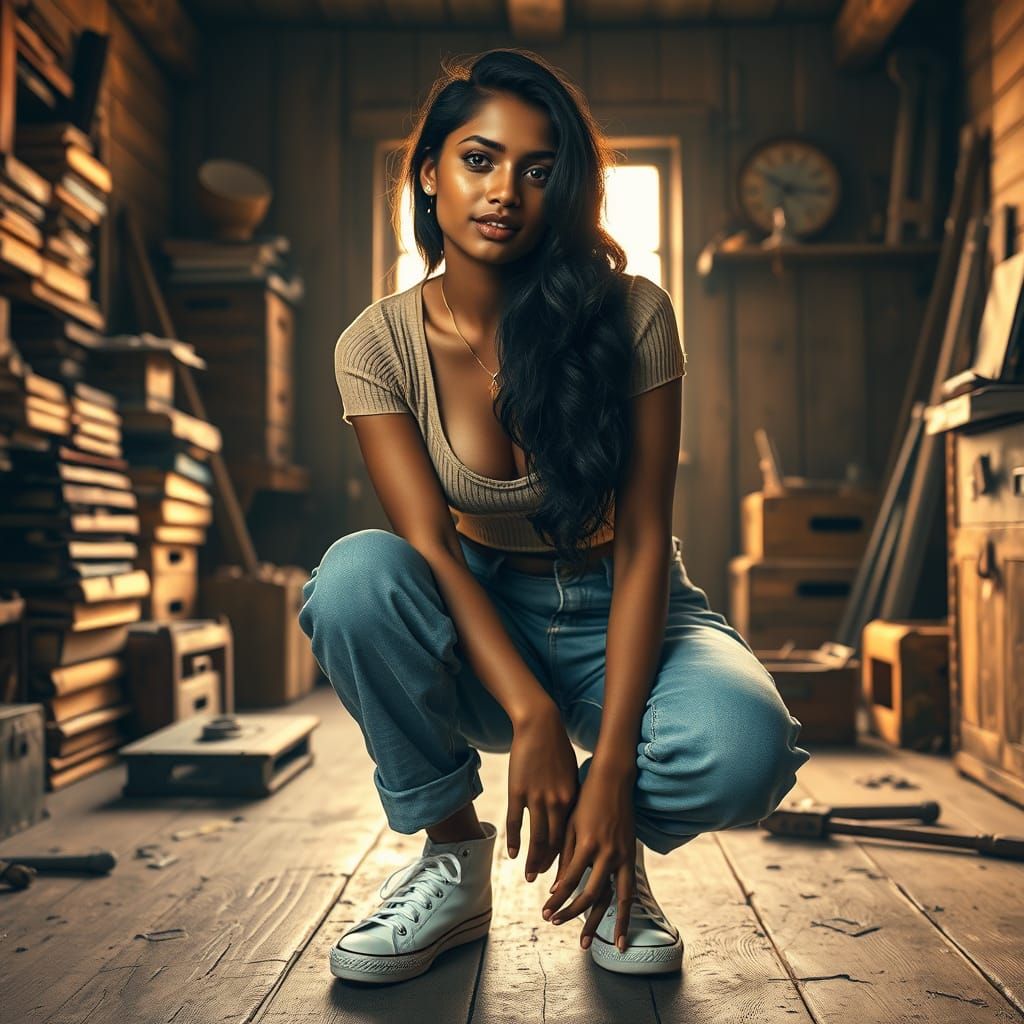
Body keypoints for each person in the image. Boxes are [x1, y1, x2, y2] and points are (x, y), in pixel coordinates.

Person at [299, 47, 810, 987]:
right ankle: (453, 863)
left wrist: (609, 770)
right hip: (479, 615)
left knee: (748, 746)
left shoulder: (633, 314)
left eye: (539, 170)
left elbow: (651, 534)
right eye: (479, 159)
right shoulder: (376, 343)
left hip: (628, 598)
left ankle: (618, 861)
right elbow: (428, 547)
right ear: (428, 172)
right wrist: (531, 712)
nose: (505, 191)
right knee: (354, 578)